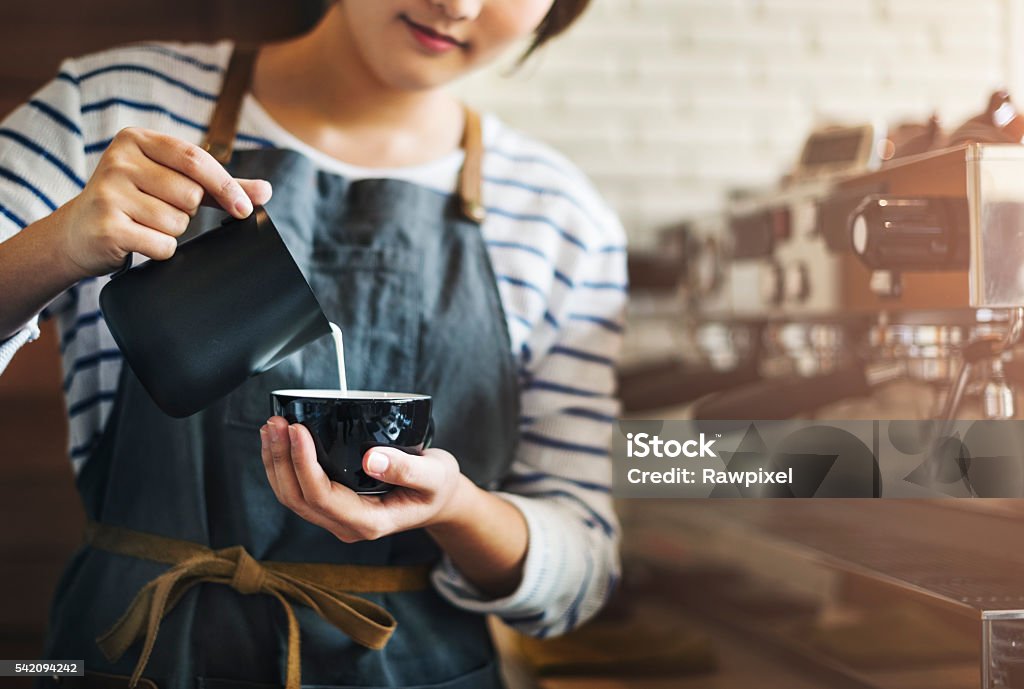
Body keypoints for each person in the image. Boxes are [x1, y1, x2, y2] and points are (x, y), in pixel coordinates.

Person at [0, 1, 627, 687]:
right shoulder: (107, 107)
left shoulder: (559, 218)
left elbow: (581, 570)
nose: (459, 5)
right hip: (135, 655)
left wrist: (456, 508)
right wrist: (55, 245)